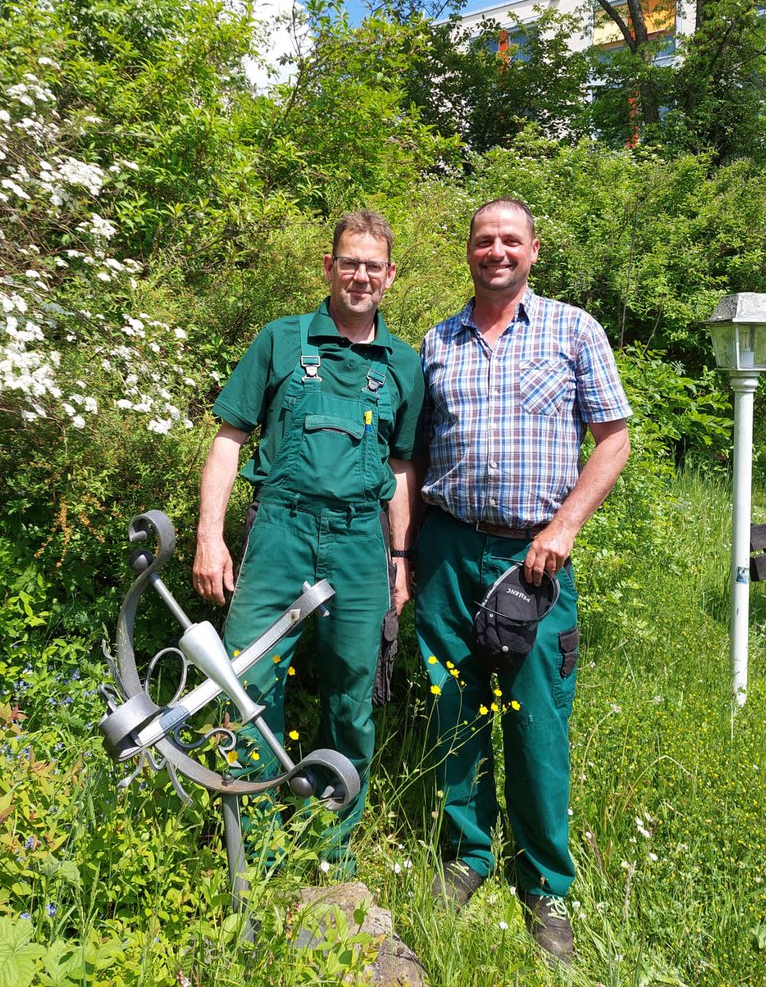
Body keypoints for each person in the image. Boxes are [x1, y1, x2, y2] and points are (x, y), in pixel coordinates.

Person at [415, 197, 631, 962]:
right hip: (444, 552)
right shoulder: (435, 342)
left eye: (511, 240)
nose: (496, 251)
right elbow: (412, 460)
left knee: (537, 720)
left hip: (534, 561)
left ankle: (545, 884)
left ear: (534, 250)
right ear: (467, 251)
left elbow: (613, 438)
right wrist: (405, 558)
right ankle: (468, 855)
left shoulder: (574, 330)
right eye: (483, 240)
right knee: (456, 710)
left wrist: (564, 527)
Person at [193, 210, 423, 871]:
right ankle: (255, 842)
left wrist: (401, 561)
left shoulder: (403, 363)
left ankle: (331, 843)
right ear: (328, 267)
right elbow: (229, 440)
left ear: (389, 276)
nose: (359, 276)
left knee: (352, 694)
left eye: (372, 266)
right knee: (245, 684)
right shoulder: (280, 341)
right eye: (348, 262)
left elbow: (403, 470)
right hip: (279, 535)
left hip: (360, 546)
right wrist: (211, 537)